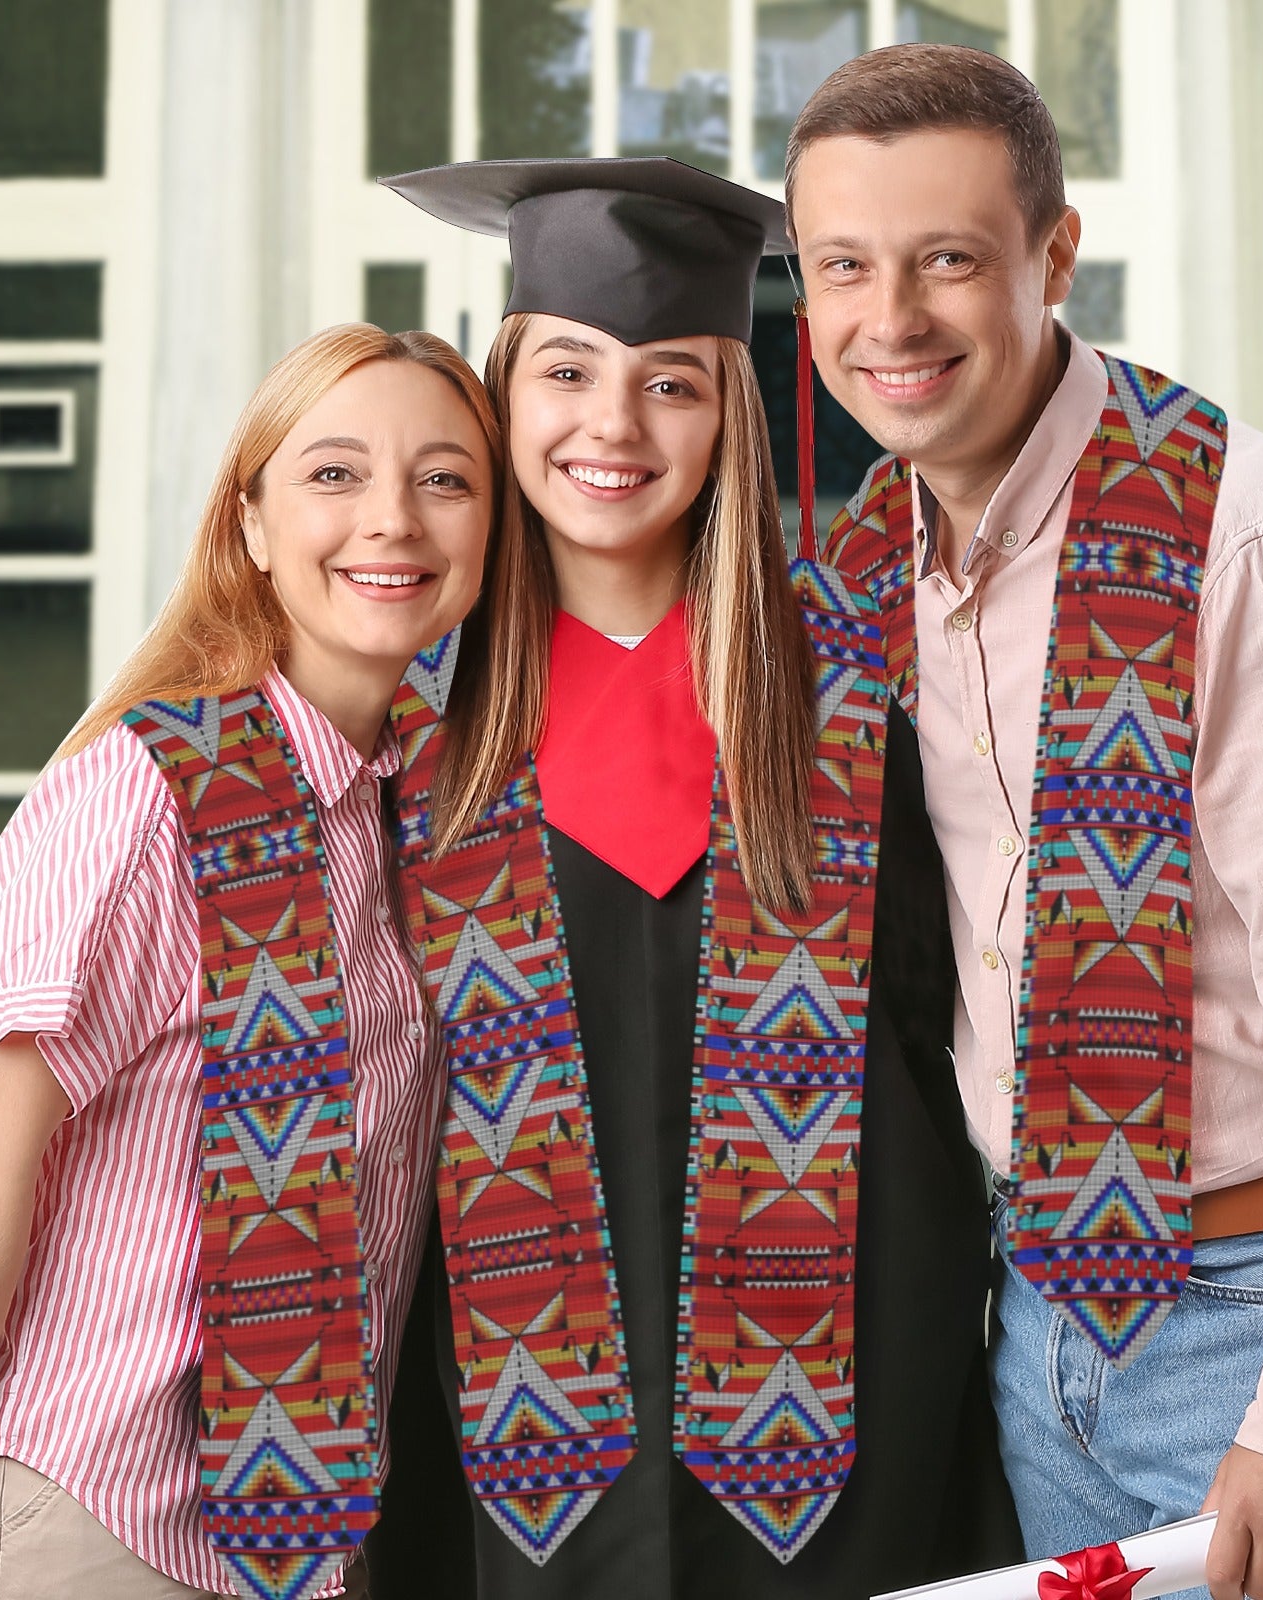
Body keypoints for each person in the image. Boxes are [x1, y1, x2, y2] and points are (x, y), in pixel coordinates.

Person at [784, 43, 1263, 1600]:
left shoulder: (1251, 547)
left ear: (1054, 256)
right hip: (1034, 1317)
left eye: (948, 260)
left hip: (1253, 1322)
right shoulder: (872, 566)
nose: (888, 320)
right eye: (845, 266)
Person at [361, 156, 1018, 1600]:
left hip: (850, 1419)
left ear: (729, 413)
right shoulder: (398, 722)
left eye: (672, 382)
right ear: (500, 394)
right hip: (495, 1441)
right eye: (569, 373)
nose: (614, 425)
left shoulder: (862, 683)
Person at [0, 323, 500, 1600]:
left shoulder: (416, 812)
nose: (392, 520)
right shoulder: (139, 796)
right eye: (334, 473)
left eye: (445, 478)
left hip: (299, 1541)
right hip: (96, 1518)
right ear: (248, 525)